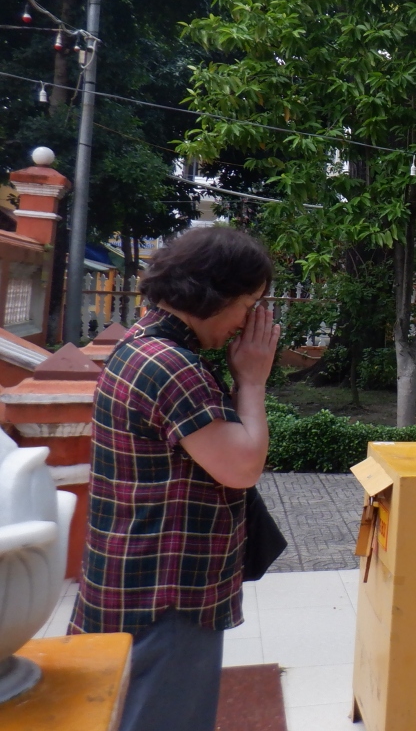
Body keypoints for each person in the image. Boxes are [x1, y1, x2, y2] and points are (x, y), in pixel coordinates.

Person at [69, 226, 280, 731]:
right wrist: (252, 380)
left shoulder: (143, 345)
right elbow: (242, 466)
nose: (247, 321)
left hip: (139, 580)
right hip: (164, 593)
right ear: (215, 294)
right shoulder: (170, 365)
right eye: (247, 305)